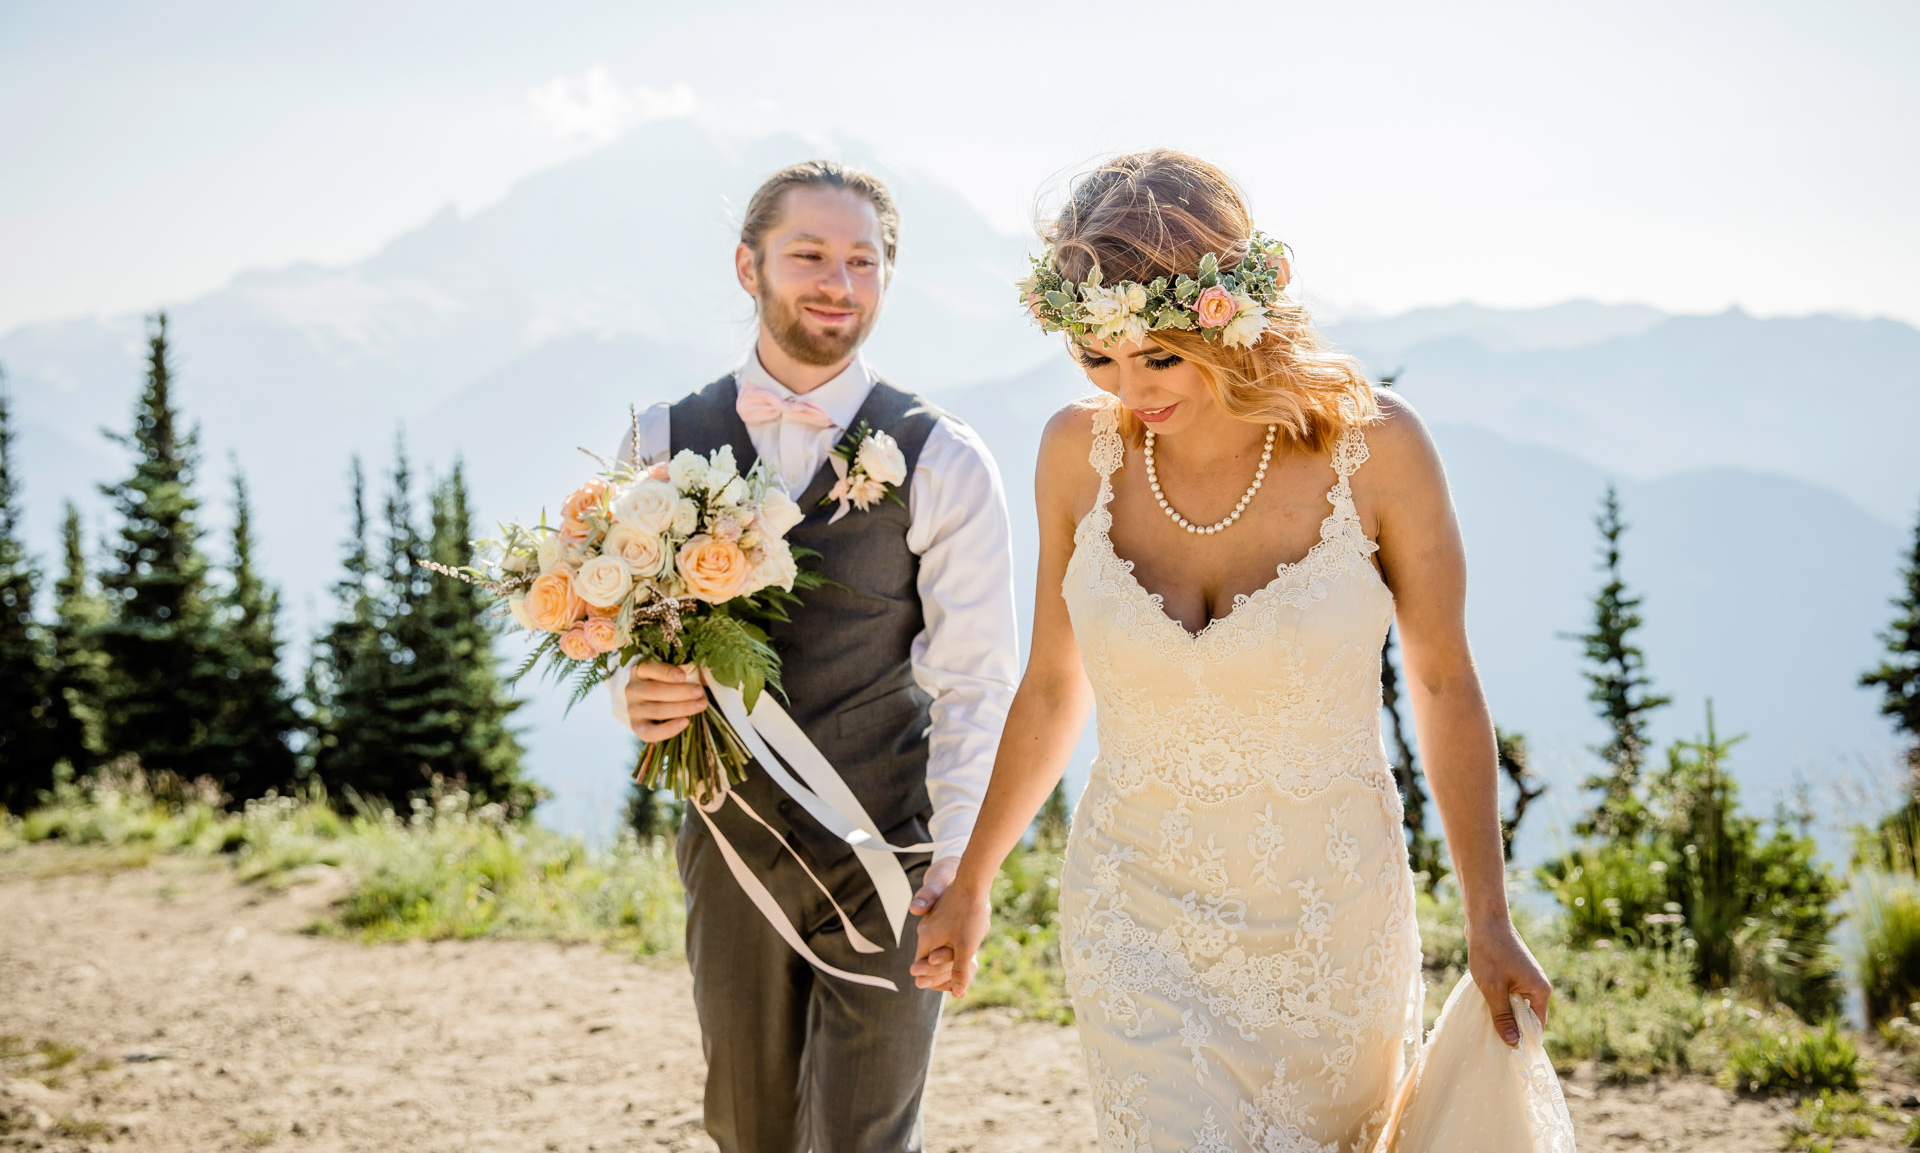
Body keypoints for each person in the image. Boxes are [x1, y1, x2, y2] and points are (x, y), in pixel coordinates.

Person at [912, 151, 1573, 1151]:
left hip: (1328, 919)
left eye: (1157, 357)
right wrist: (972, 880)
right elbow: (1052, 687)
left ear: (1230, 313)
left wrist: (1486, 913)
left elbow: (1442, 681)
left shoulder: (1375, 450)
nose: (1127, 388)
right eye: (1095, 357)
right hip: (1133, 909)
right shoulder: (1071, 456)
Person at [611, 159, 1017, 1153]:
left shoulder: (945, 456)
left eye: (861, 261)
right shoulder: (659, 439)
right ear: (747, 267)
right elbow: (630, 634)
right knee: (747, 1130)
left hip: (887, 855)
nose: (837, 281)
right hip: (731, 843)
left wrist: (962, 873)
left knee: (862, 1140)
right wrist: (641, 694)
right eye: (809, 255)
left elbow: (978, 683)